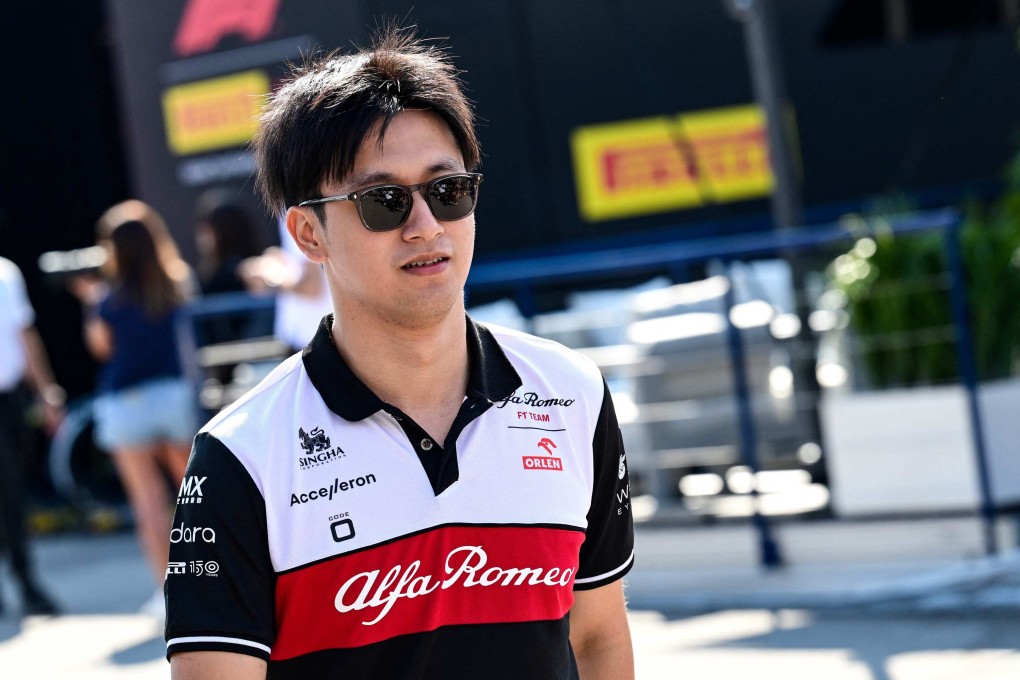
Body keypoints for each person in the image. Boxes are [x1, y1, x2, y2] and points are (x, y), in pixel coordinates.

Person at [166, 25, 635, 680]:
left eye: (448, 192)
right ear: (308, 233)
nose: (425, 226)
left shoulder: (571, 393)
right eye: (383, 201)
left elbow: (599, 640)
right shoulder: (239, 457)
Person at [72, 200, 197, 618]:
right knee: (196, 497)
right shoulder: (176, 281)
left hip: (126, 404)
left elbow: (100, 348)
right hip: (174, 398)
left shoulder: (107, 297)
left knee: (148, 504)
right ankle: (213, 583)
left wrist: (91, 303)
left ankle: (168, 595)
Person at [0, 255, 62, 616]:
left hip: (9, 402)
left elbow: (25, 335)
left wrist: (46, 392)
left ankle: (25, 582)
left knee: (11, 493)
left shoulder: (6, 271)